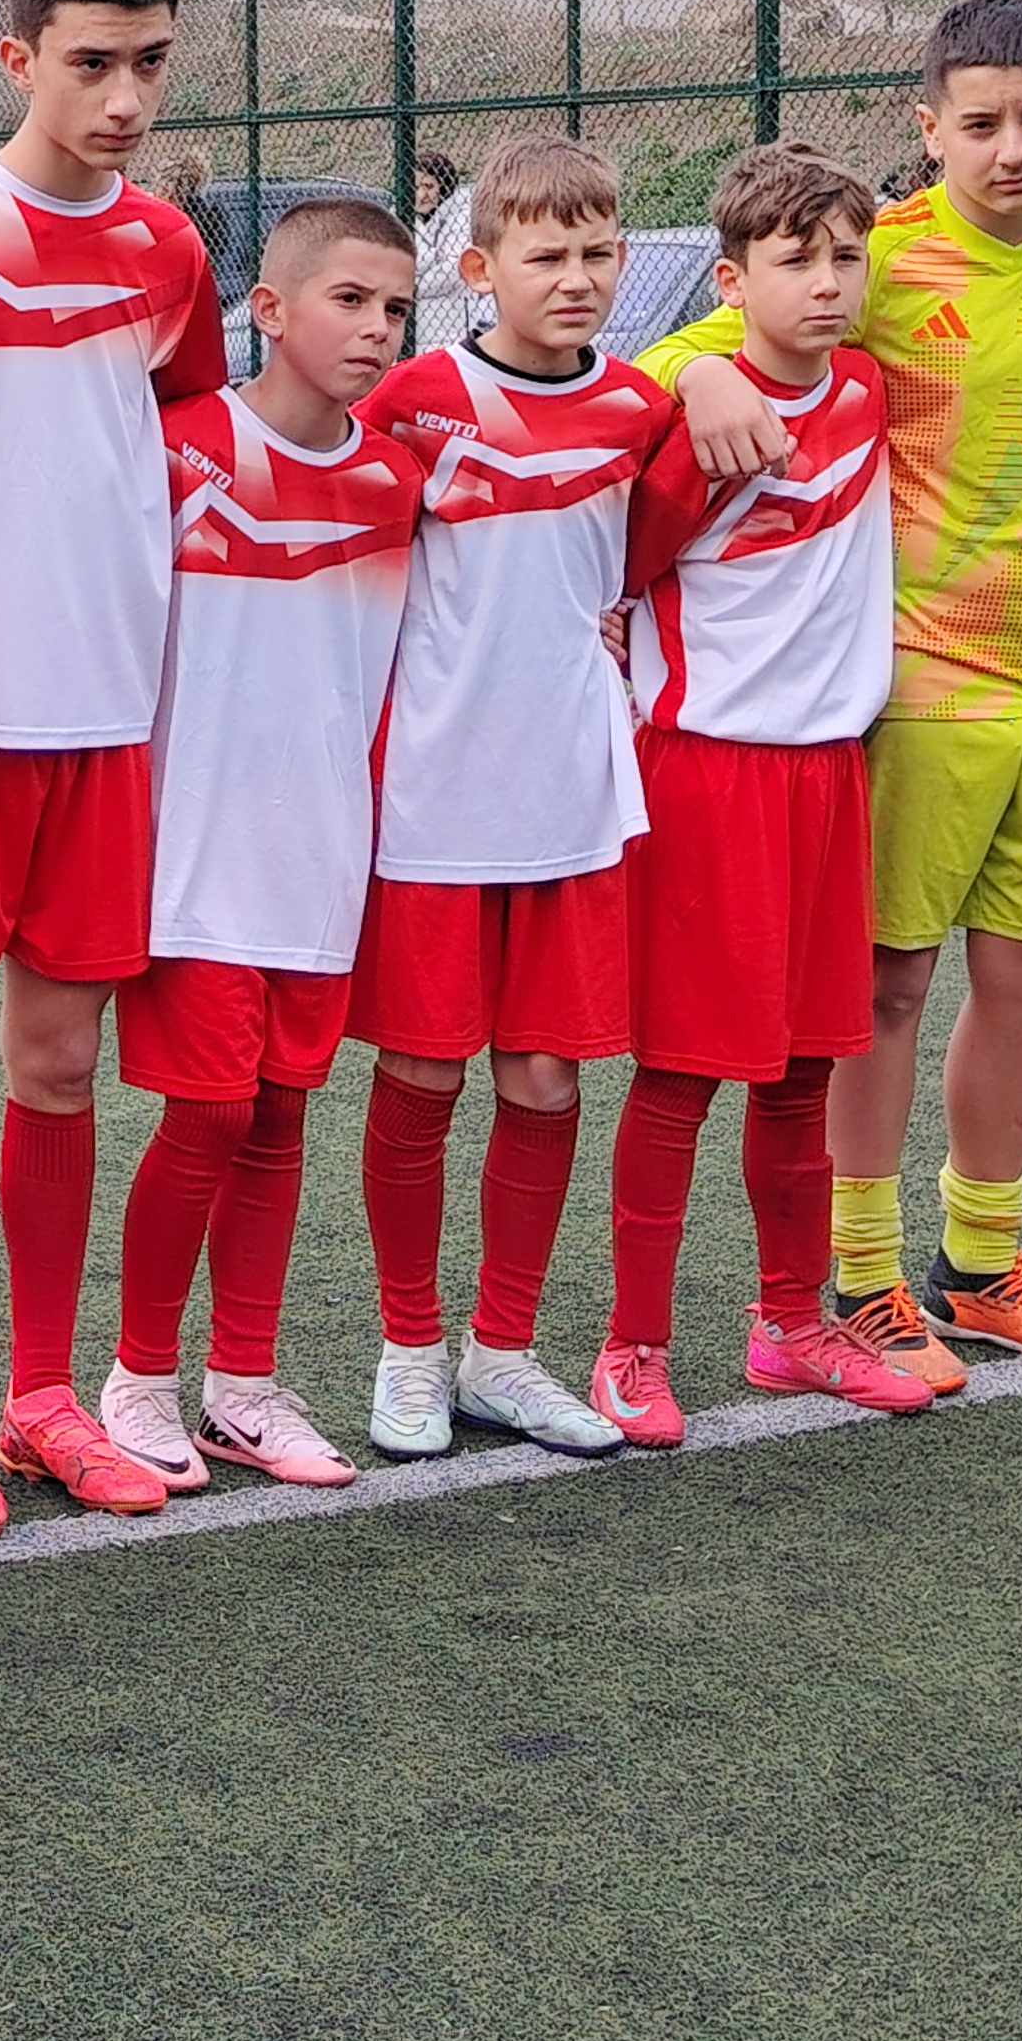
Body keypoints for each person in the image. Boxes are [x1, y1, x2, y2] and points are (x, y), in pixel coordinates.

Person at [658, 0, 1022, 1382]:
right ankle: (865, 1276)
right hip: (914, 673)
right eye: (981, 123)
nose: (1014, 148)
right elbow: (695, 347)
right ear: (927, 126)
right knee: (883, 986)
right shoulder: (873, 253)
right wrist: (695, 384)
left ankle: (981, 1268)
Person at [0, 0, 230, 1541]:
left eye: (150, 63)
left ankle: (40, 1397)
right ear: (17, 58)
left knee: (62, 1064)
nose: (126, 97)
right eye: (93, 63)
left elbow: (193, 421)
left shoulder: (168, 251)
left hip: (104, 710)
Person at [591, 146, 933, 1444]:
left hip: (828, 775)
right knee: (682, 1074)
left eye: (848, 257)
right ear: (733, 282)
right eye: (797, 261)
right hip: (707, 773)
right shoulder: (692, 416)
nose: (829, 282)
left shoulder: (869, 388)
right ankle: (631, 1346)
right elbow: (618, 570)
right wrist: (701, 369)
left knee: (801, 1074)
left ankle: (791, 1324)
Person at [348, 131, 674, 1460]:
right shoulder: (419, 398)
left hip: (572, 793)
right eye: (547, 255)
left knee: (543, 1078)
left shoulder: (642, 407)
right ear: (480, 268)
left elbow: (665, 560)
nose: (577, 278)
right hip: (434, 793)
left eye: (598, 253)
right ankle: (409, 1348)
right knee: (422, 1068)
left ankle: (504, 1350)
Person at [100, 196, 424, 1492]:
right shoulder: (180, 448)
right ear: (269, 309)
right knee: (209, 1114)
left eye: (396, 308)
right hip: (191, 856)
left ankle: (241, 1384)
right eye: (350, 299)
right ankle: (136, 1377)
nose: (377, 327)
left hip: (322, 861)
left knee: (281, 1112)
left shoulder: (397, 483)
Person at [410, 146, 476, 352]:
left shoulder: (461, 216)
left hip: (451, 322)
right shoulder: (401, 215)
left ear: (443, 186)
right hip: (412, 324)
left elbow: (454, 269)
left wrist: (411, 287)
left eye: (429, 186)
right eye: (415, 186)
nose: (421, 194)